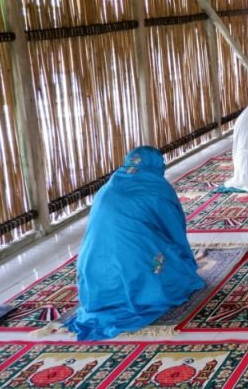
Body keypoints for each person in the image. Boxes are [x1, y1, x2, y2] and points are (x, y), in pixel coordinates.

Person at [65, 146, 204, 341]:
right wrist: (182, 258)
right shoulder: (157, 187)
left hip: (92, 274)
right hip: (134, 268)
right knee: (175, 269)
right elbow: (173, 228)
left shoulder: (110, 185)